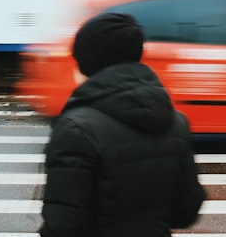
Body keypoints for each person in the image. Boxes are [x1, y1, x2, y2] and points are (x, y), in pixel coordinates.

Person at [39, 12, 206, 237]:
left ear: (88, 62)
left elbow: (64, 225)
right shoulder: (176, 123)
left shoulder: (76, 129)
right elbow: (185, 212)